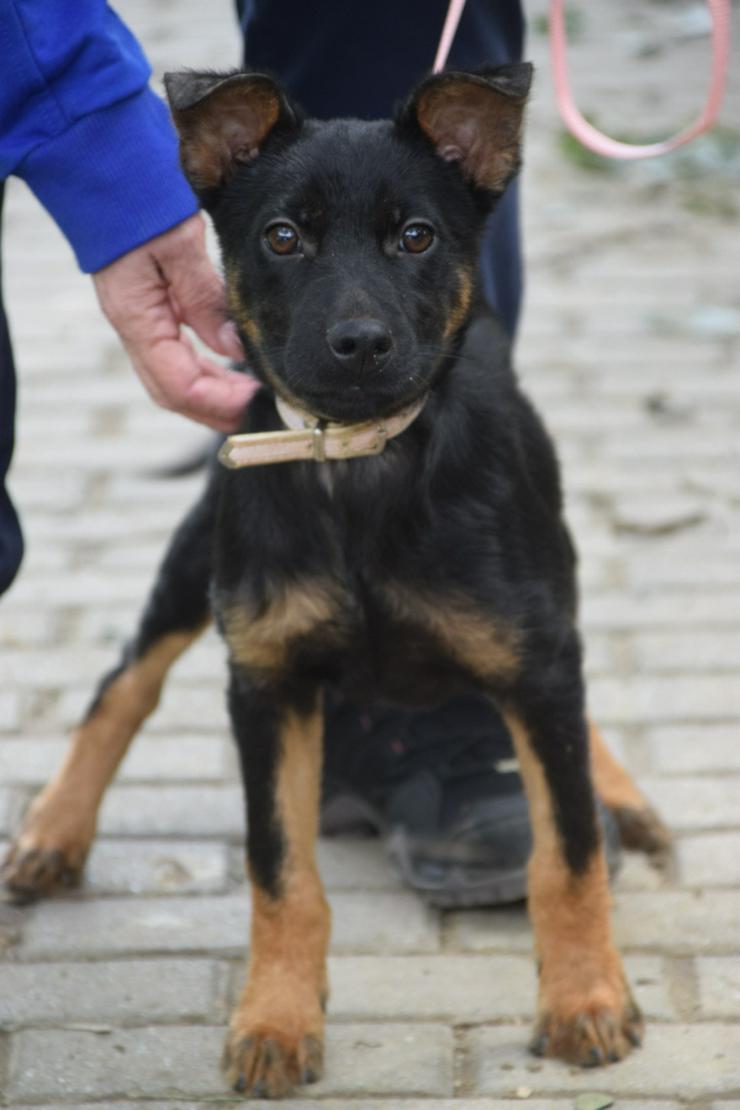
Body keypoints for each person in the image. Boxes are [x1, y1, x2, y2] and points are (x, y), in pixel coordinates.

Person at [0, 0, 614, 906]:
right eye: (285, 240)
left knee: (523, 640)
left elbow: (550, 661)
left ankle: (445, 729)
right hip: (288, 459)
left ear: (479, 156)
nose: (356, 320)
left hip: (451, 462)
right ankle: (102, 731)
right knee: (214, 589)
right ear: (217, 161)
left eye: (413, 240)